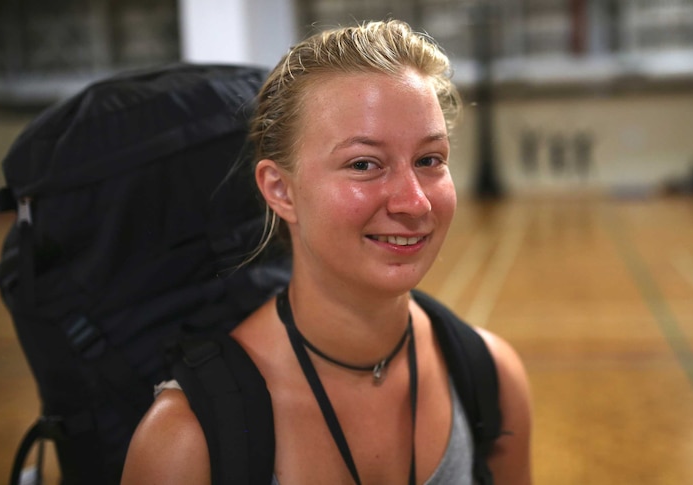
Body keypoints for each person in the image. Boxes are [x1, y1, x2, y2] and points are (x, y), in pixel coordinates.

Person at [122, 19, 532, 484]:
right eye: (364, 164)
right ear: (281, 190)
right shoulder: (186, 439)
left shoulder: (491, 378)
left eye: (429, 160)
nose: (414, 201)